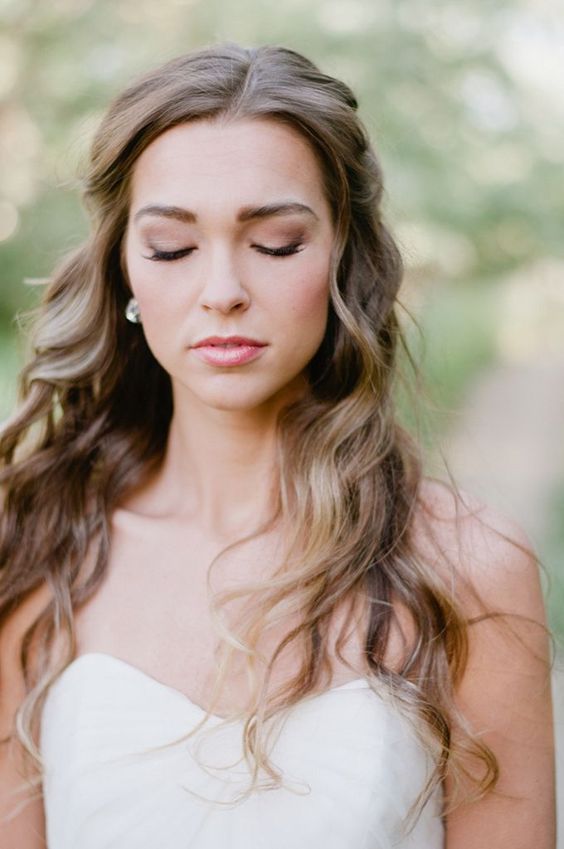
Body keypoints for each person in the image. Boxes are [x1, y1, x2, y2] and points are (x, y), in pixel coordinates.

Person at [0, 42, 555, 849]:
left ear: (343, 259)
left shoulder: (469, 569)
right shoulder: (39, 552)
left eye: (276, 242)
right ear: (124, 270)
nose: (222, 291)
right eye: (172, 248)